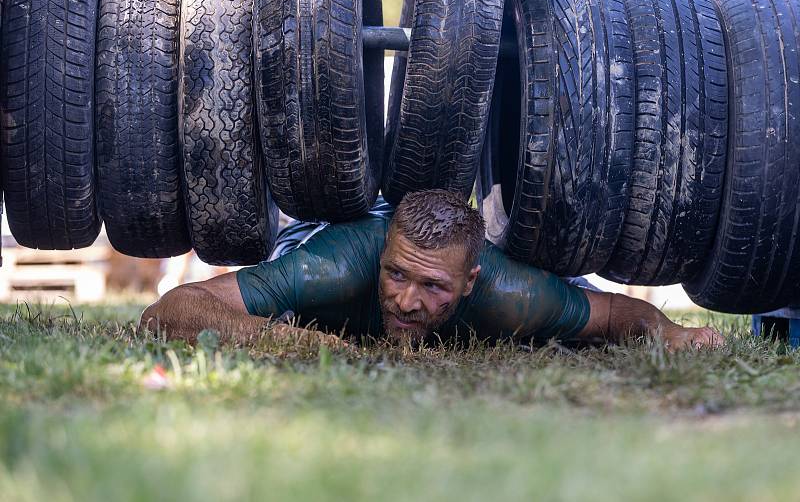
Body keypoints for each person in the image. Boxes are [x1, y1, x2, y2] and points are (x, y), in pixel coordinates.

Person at [140, 189, 724, 351]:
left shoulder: (509, 294)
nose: (407, 302)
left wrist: (672, 334)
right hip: (324, 230)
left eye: (434, 287)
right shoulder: (338, 266)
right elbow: (170, 310)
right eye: (397, 275)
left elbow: (616, 312)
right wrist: (297, 343)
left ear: (470, 282)